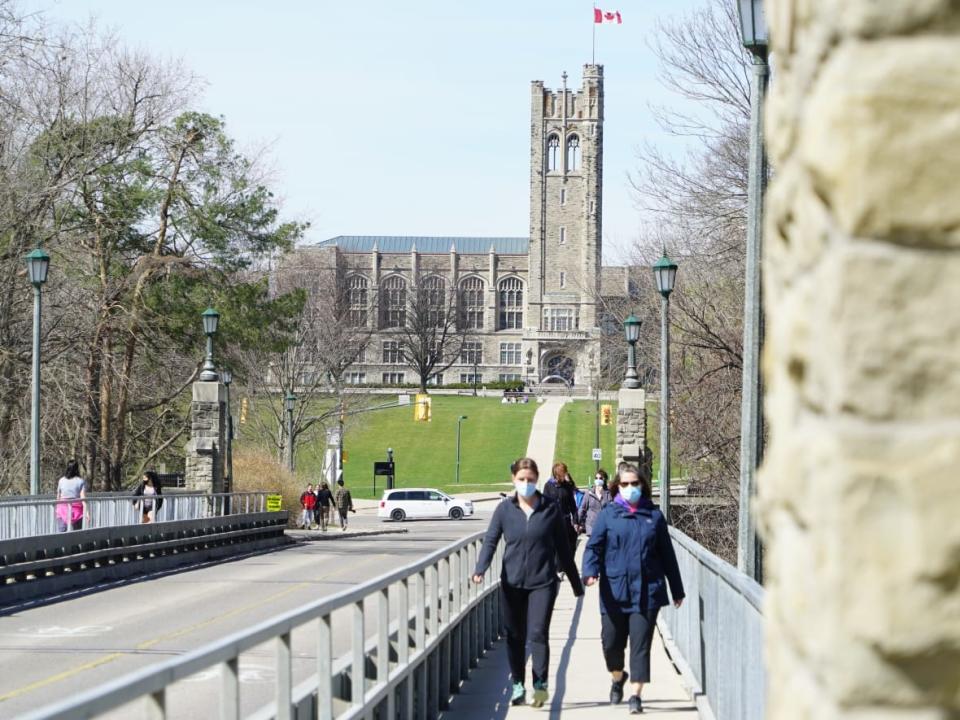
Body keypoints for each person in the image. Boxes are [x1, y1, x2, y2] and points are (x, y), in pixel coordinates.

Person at [472, 457, 584, 708]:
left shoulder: (550, 508)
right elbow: (491, 540)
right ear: (514, 480)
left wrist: (576, 584)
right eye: (521, 479)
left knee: (537, 633)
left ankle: (540, 685)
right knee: (514, 635)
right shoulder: (504, 509)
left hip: (542, 581)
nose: (526, 484)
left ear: (537, 479)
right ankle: (518, 685)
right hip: (512, 582)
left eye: (530, 480)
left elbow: (564, 550)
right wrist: (481, 568)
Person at [582, 464, 685, 714]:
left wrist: (677, 589)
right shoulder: (609, 514)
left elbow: (667, 555)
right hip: (614, 592)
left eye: (635, 484)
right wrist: (590, 571)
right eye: (625, 484)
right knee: (611, 644)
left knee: (641, 646)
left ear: (643, 486)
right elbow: (594, 547)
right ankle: (618, 677)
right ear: (617, 486)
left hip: (647, 592)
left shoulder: (654, 516)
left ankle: (636, 696)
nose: (630, 488)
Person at [543, 462, 580, 546]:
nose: (566, 474)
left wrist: (575, 521)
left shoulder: (567, 486)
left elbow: (572, 505)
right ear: (558, 475)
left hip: (565, 522)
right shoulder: (548, 486)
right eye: (564, 473)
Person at [56, 460, 89, 532]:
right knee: (77, 532)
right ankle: (76, 542)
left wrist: (57, 510)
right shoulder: (80, 481)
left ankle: (62, 542)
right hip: (76, 510)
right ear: (77, 469)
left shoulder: (61, 480)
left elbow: (58, 497)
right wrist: (87, 513)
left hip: (62, 509)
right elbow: (83, 499)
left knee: (62, 532)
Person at [577, 468, 611, 536]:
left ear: (604, 479)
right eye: (596, 478)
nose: (598, 480)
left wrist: (603, 494)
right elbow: (582, 509)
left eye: (600, 478)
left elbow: (610, 508)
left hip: (604, 527)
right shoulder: (589, 493)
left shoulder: (608, 494)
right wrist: (577, 522)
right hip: (591, 527)